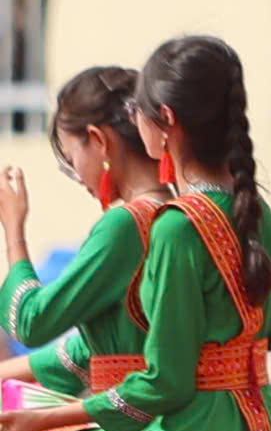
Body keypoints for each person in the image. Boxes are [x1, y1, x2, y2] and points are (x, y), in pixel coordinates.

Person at [0, 38, 271, 431]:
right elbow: (269, 330)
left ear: (166, 123)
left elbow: (165, 384)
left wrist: (12, 230)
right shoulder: (257, 216)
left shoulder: (176, 227)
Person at [0, 68, 168, 410]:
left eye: (71, 158)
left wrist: (14, 228)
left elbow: (29, 322)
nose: (77, 177)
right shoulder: (171, 209)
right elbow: (94, 350)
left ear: (99, 140)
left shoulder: (126, 224)